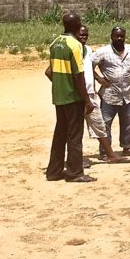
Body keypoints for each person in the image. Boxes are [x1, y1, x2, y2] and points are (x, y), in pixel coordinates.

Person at [44, 11, 95, 183]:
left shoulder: (55, 43)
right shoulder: (75, 45)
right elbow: (78, 75)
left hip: (59, 96)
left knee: (60, 133)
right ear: (75, 25)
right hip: (73, 97)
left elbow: (50, 71)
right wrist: (87, 100)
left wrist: (60, 84)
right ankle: (75, 172)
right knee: (75, 135)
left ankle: (54, 171)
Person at [78, 25, 130, 165]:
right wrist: (100, 79)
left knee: (100, 126)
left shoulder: (88, 50)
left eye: (85, 35)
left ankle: (110, 155)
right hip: (78, 95)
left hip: (91, 95)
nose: (83, 37)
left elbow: (89, 68)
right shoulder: (75, 50)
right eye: (81, 34)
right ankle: (76, 159)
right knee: (76, 129)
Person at [93, 26, 130, 157]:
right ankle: (105, 152)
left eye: (122, 36)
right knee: (106, 123)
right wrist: (99, 78)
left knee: (127, 121)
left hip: (126, 94)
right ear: (111, 37)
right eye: (117, 36)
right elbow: (88, 65)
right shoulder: (103, 52)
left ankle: (126, 147)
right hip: (109, 95)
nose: (119, 38)